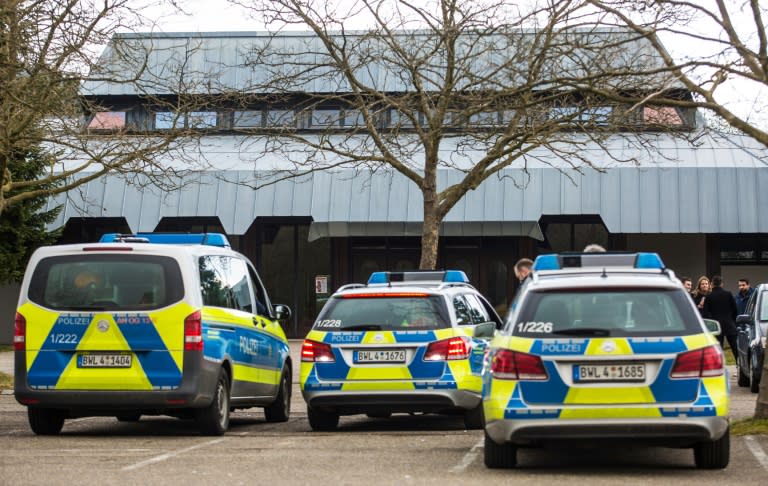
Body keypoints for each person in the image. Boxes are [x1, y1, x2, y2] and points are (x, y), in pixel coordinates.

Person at [703, 276, 738, 360]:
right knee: (735, 347)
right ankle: (740, 366)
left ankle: (720, 367)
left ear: (712, 284)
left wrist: (711, 323)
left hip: (716, 326)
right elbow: (735, 309)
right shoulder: (728, 294)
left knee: (718, 349)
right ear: (722, 284)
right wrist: (732, 320)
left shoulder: (709, 296)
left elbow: (705, 313)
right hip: (729, 324)